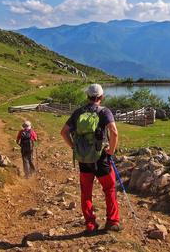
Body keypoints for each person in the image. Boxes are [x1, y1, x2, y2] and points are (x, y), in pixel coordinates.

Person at [61, 83, 121, 234]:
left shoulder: (78, 112)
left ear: (87, 97)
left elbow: (64, 132)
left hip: (84, 160)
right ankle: (112, 222)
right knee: (109, 189)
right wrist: (110, 151)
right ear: (101, 96)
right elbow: (114, 132)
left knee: (86, 192)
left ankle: (90, 224)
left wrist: (75, 148)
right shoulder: (104, 112)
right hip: (101, 158)